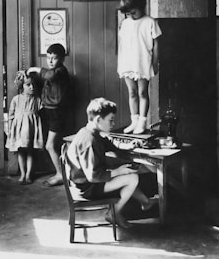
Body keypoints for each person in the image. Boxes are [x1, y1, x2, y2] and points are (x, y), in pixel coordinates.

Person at [66, 97, 158, 229]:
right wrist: (118, 171)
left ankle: (145, 201)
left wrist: (128, 146)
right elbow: (93, 176)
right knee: (131, 178)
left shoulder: (91, 132)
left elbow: (110, 143)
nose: (113, 124)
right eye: (110, 120)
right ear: (98, 120)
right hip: (87, 188)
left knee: (127, 172)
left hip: (88, 182)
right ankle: (114, 212)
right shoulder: (89, 141)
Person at [117, 0, 162, 134]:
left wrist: (155, 63)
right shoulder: (125, 23)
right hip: (128, 62)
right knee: (132, 93)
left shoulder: (150, 22)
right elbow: (122, 45)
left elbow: (156, 45)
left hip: (142, 62)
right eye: (128, 13)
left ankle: (142, 121)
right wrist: (121, 63)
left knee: (142, 92)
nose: (131, 16)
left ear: (141, 7)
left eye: (133, 12)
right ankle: (134, 121)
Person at [27, 43, 70, 187]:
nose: (50, 61)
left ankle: (60, 175)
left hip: (58, 113)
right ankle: (61, 173)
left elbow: (49, 75)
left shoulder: (60, 71)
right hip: (49, 111)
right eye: (48, 58)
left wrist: (34, 69)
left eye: (54, 58)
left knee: (50, 145)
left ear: (62, 59)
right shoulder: (51, 72)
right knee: (51, 144)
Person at [6, 71, 44, 184]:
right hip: (19, 130)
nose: (31, 87)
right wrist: (9, 130)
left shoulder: (37, 100)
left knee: (31, 151)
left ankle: (28, 175)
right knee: (21, 151)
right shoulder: (16, 99)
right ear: (22, 86)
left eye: (33, 85)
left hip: (32, 129)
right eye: (28, 85)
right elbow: (11, 116)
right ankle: (22, 174)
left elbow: (43, 113)